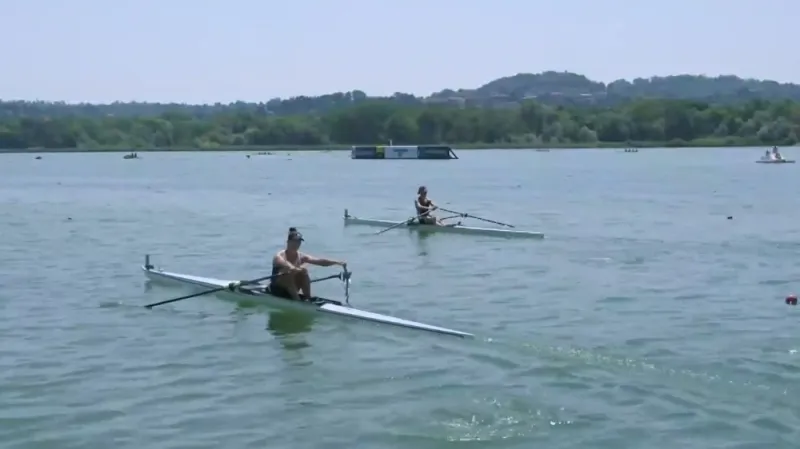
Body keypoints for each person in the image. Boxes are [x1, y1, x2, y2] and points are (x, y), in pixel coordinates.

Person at [269, 227, 346, 300]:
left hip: (291, 290)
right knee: (289, 272)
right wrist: (297, 269)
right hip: (277, 290)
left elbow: (319, 261)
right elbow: (287, 265)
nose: (297, 244)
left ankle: (307, 298)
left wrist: (337, 262)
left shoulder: (301, 256)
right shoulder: (279, 256)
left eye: (299, 242)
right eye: (294, 241)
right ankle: (298, 302)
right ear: (288, 242)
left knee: (304, 272)